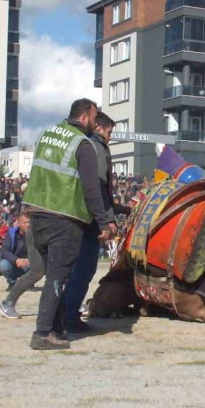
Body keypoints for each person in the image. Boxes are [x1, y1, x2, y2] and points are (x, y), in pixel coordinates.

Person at [22, 98, 116, 350]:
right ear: (84, 117)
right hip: (64, 217)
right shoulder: (82, 144)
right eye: (95, 119)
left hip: (38, 214)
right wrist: (104, 222)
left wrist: (24, 210)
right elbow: (91, 189)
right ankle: (42, 333)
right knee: (57, 277)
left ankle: (57, 328)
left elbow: (37, 174)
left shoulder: (46, 135)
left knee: (53, 273)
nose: (96, 124)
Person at [62, 112, 129, 334]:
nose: (110, 137)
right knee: (84, 269)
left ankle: (65, 314)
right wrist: (106, 220)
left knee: (76, 269)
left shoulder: (84, 144)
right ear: (99, 127)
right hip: (90, 220)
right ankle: (70, 317)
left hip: (80, 215)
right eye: (109, 132)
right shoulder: (97, 148)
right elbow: (97, 187)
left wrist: (122, 209)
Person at [0, 213, 30, 290]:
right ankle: (13, 283)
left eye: (29, 222)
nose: (28, 225)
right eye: (25, 222)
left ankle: (30, 283)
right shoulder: (12, 233)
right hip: (15, 264)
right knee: (3, 265)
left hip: (30, 264)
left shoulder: (35, 234)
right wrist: (16, 260)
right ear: (19, 224)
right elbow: (4, 250)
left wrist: (31, 260)